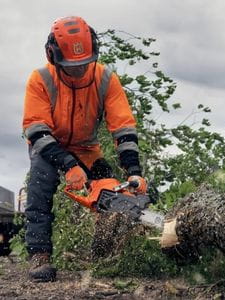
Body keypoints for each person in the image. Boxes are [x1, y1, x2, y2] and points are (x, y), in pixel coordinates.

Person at [22, 16, 147, 282]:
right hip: (49, 146)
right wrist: (68, 165)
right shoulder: (41, 79)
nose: (79, 71)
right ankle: (39, 254)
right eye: (72, 66)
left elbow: (123, 128)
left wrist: (134, 171)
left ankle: (105, 253)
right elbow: (36, 130)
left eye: (83, 65)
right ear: (53, 55)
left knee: (110, 191)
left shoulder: (105, 79)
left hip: (87, 148)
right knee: (40, 186)